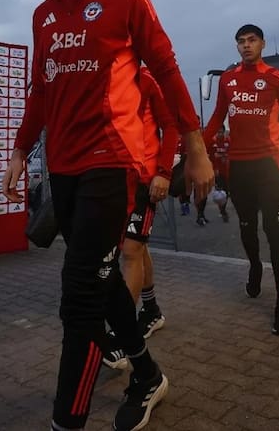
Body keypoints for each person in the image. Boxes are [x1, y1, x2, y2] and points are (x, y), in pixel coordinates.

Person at [2, 0, 214, 430]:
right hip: (65, 170)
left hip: (113, 165)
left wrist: (196, 147)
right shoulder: (43, 14)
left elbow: (165, 67)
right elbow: (42, 91)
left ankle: (67, 421)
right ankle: (145, 374)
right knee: (100, 282)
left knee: (78, 300)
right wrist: (20, 150)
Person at [203, 24, 279, 337]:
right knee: (247, 227)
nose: (246, 46)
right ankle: (255, 266)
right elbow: (218, 116)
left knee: (276, 234)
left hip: (270, 166)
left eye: (252, 40)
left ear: (262, 44)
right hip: (239, 168)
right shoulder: (228, 79)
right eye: (241, 42)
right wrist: (197, 148)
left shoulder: (277, 77)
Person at [103, 68, 179, 370]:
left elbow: (170, 126)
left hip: (145, 179)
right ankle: (151, 310)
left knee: (131, 251)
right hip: (112, 178)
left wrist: (163, 171)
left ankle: (125, 333)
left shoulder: (146, 78)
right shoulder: (100, 75)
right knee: (139, 247)